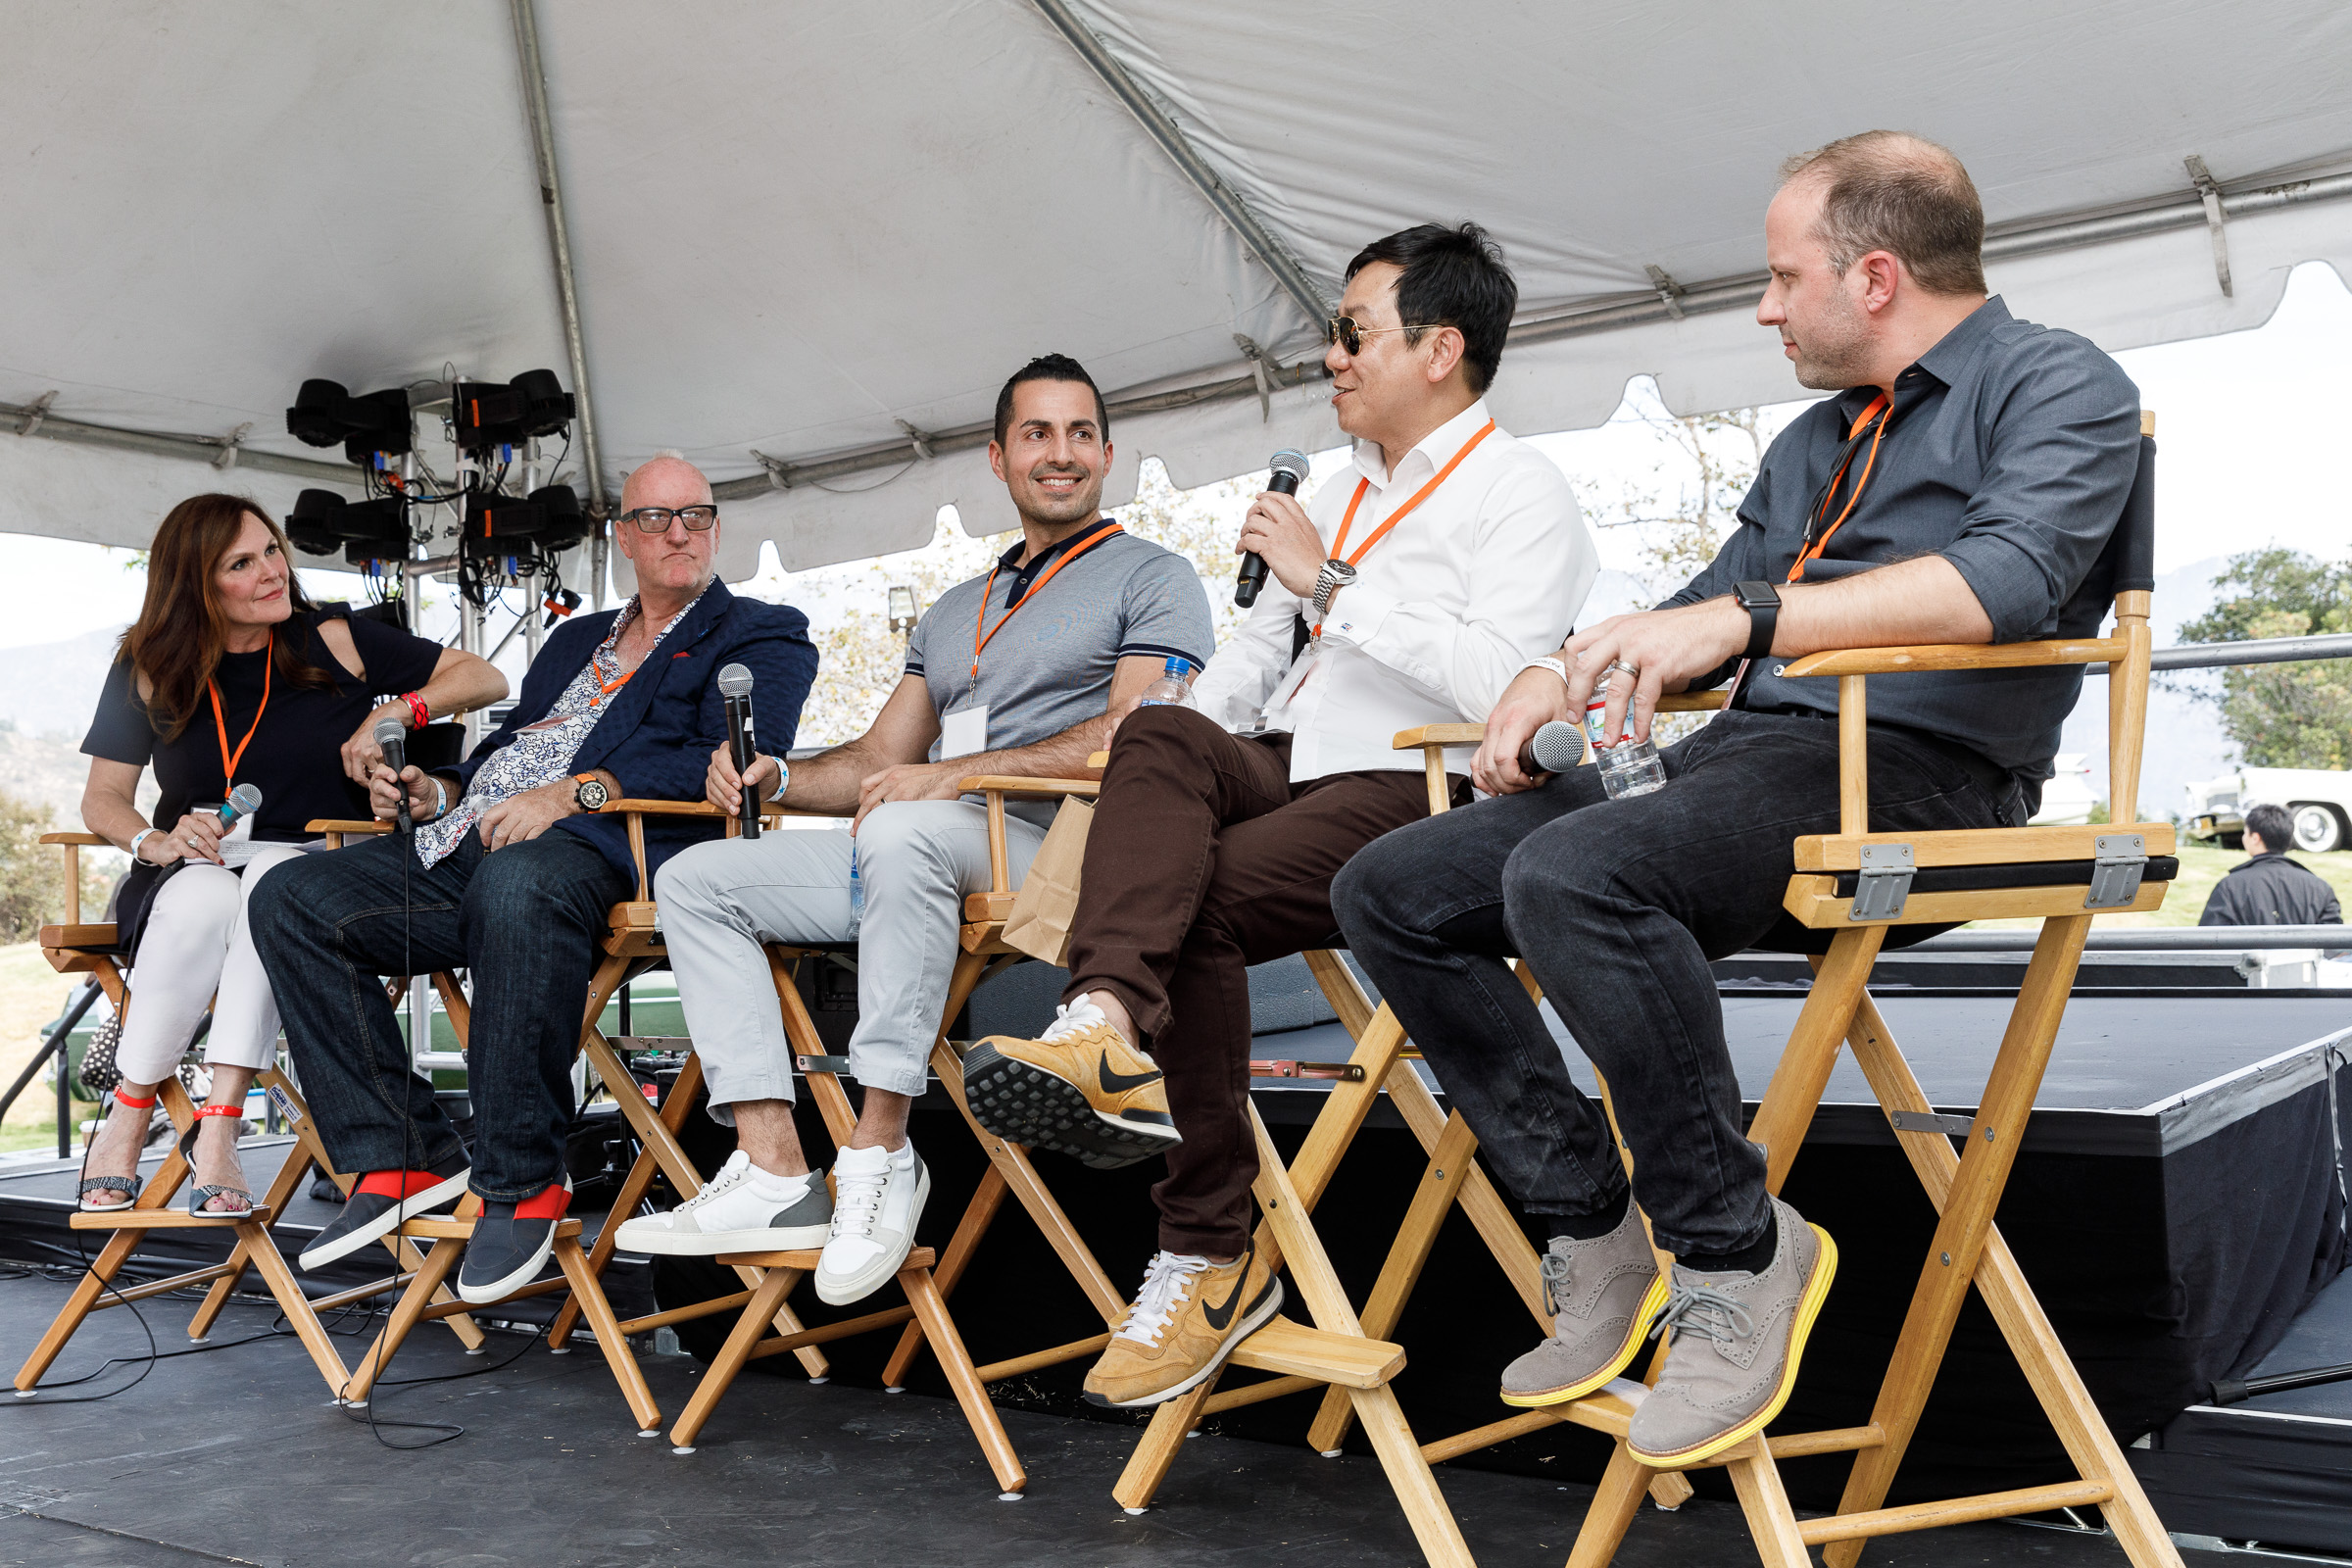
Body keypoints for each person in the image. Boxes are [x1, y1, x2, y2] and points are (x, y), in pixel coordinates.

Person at [1333, 132, 2145, 1470]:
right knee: (1392, 887)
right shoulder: (1818, 440)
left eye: (1780, 278)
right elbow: (1704, 605)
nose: (1765, 308)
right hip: (1765, 755)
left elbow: (2005, 581)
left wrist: (1753, 617)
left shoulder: (2058, 382)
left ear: (1874, 276)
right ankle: (1594, 1227)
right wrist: (1559, 667)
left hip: (1928, 777)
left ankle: (1737, 1251)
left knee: (1579, 875)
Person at [960, 225, 1597, 1408]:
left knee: (1189, 904)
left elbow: (1498, 682)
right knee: (1157, 727)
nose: (1331, 355)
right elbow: (1249, 661)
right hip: (1287, 756)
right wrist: (1178, 749)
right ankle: (1102, 1019)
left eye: (1353, 332)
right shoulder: (1340, 484)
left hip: (1414, 780)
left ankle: (1205, 1247)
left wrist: (1331, 585)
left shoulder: (1523, 491)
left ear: (1441, 349)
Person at [622, 354, 1215, 1307]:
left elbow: (1138, 738)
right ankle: (774, 1167)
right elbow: (879, 759)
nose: (1058, 454)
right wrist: (781, 777)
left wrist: (947, 776)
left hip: (1062, 852)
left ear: (1107, 453)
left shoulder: (1156, 576)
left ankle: (881, 1150)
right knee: (701, 877)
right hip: (932, 843)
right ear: (996, 456)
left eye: (1077, 434)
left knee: (902, 835)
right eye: (1035, 433)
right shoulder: (954, 608)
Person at [251, 454, 817, 1302]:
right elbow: (505, 752)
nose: (678, 533)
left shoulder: (761, 630)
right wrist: (433, 789)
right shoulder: (570, 640)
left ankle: (520, 1182)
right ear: (622, 535)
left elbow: (732, 756)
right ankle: (402, 1154)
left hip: (612, 851)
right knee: (289, 897)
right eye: (655, 519)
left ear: (716, 528)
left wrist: (573, 796)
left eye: (694, 516)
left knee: (518, 883)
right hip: (469, 840)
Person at [74, 493, 502, 1216]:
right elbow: (103, 799)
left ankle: (219, 1127)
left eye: (271, 549)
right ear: (198, 587)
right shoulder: (146, 665)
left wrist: (394, 710)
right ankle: (130, 1109)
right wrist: (156, 840)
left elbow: (484, 677)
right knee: (202, 897)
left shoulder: (331, 636)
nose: (273, 571)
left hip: (323, 868)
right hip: (198, 862)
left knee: (277, 885)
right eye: (242, 564)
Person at [2201, 804, 2343, 926]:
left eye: (2245, 833)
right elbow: (2335, 948)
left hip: (2251, 958)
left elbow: (2209, 943)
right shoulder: (2320, 888)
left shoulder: (2229, 887)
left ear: (2255, 838)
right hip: (2306, 959)